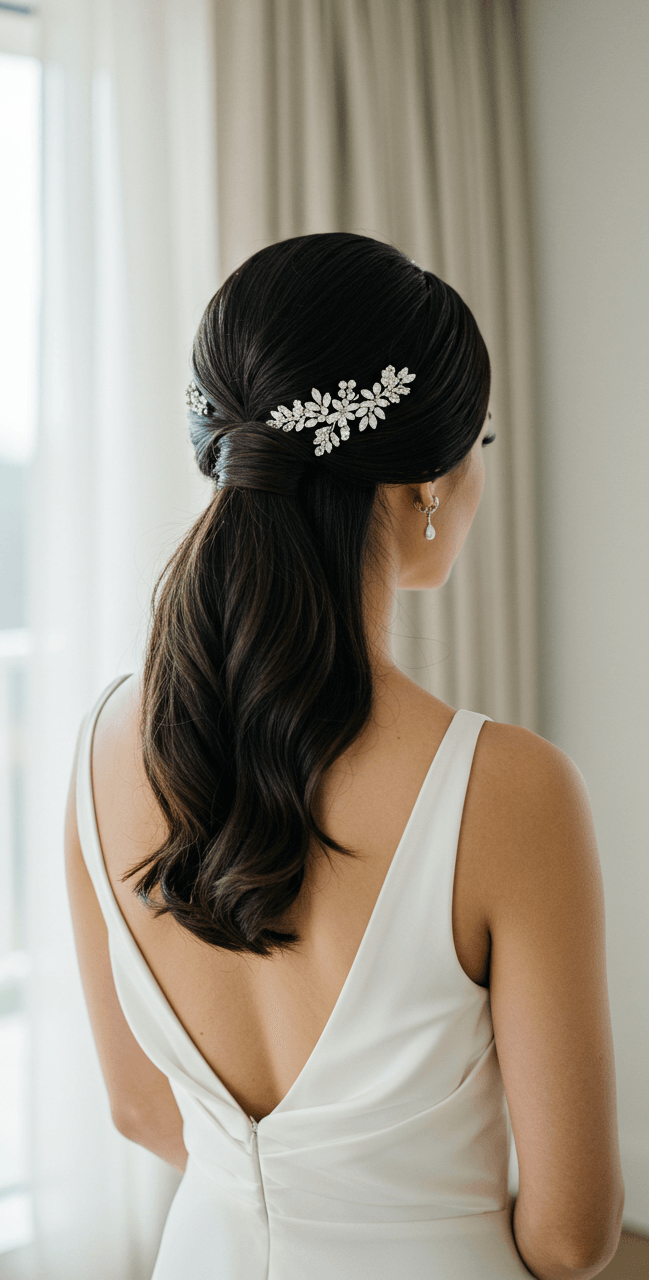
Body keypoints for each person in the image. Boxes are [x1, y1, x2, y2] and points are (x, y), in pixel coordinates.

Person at [64, 233, 623, 1279]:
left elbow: (138, 1104)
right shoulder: (511, 789)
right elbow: (570, 1233)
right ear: (427, 482)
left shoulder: (101, 743)